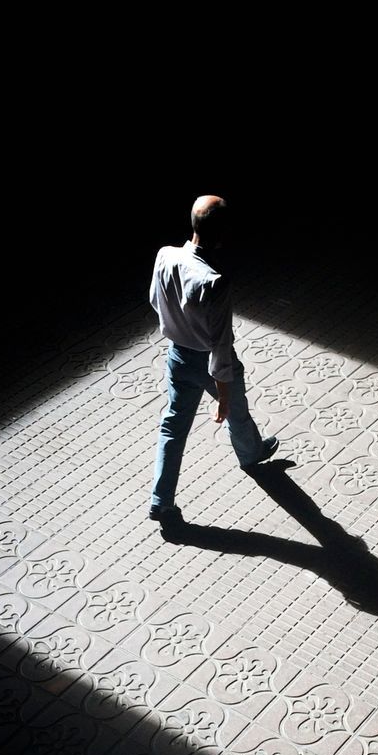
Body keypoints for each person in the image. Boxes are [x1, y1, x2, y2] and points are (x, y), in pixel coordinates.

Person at [148, 195, 278, 523]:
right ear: (223, 234)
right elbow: (221, 347)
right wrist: (221, 396)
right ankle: (251, 455)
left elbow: (154, 299)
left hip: (177, 356)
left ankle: (160, 500)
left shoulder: (165, 255)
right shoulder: (214, 282)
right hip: (208, 362)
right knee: (236, 411)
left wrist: (177, 324)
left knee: (173, 425)